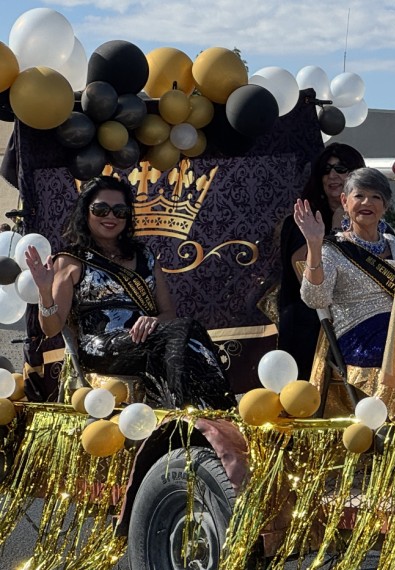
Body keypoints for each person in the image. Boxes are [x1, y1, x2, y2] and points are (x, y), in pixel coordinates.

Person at [24, 176, 235, 410]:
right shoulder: (71, 261)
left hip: (146, 338)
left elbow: (168, 314)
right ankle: (193, 411)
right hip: (100, 347)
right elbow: (51, 328)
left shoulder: (144, 256)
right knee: (186, 329)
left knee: (189, 337)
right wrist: (45, 291)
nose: (111, 217)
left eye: (120, 211)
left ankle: (209, 413)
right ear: (86, 212)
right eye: (101, 209)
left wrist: (153, 321)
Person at [295, 167, 395, 368]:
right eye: (360, 195)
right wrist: (314, 244)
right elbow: (315, 299)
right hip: (358, 336)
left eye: (376, 197)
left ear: (385, 206)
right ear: (345, 202)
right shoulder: (332, 249)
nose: (367, 202)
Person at [278, 143, 366, 379]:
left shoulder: (371, 221)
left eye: (341, 168)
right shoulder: (303, 218)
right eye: (326, 170)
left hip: (359, 326)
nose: (333, 175)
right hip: (310, 330)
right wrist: (337, 229)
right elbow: (305, 277)